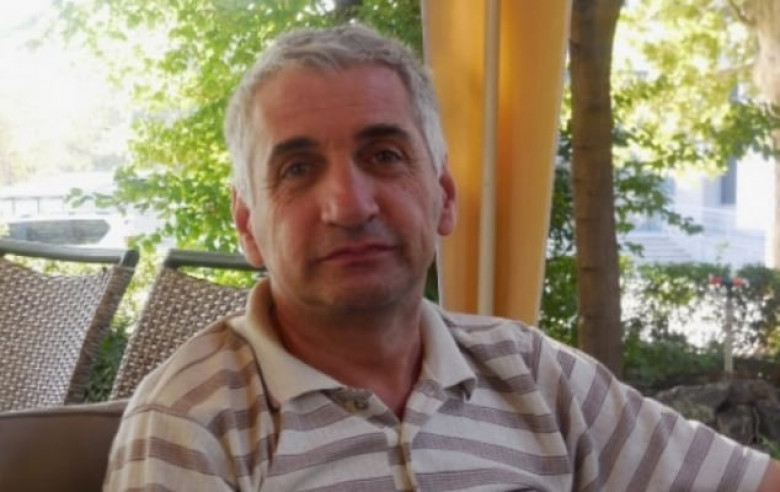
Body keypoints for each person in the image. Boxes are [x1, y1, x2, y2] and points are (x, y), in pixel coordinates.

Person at [104, 24, 780, 491]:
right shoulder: (192, 423)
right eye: (298, 168)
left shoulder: (533, 373)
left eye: (384, 155)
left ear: (444, 197)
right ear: (248, 226)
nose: (349, 204)